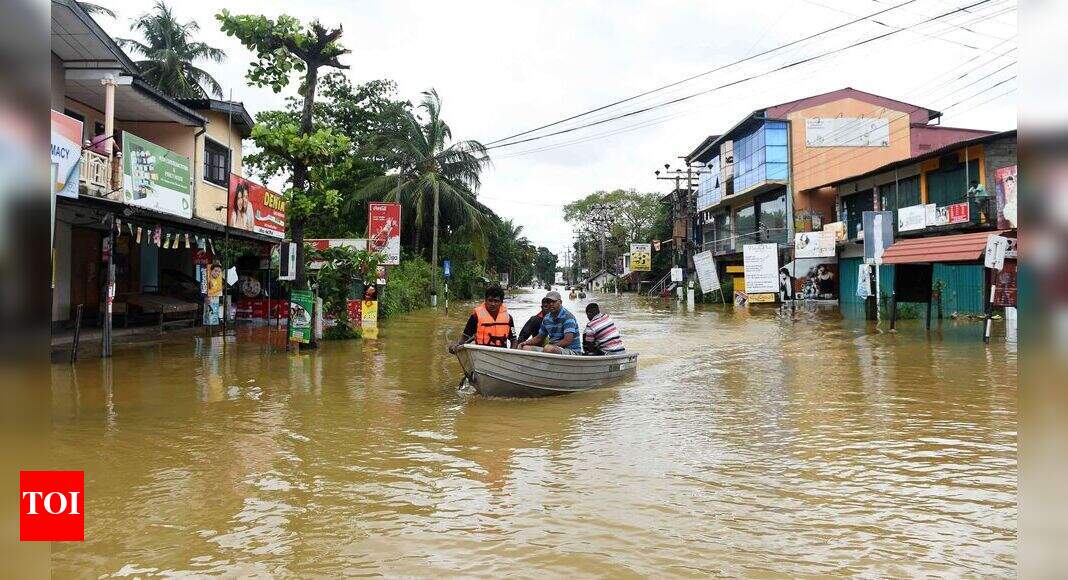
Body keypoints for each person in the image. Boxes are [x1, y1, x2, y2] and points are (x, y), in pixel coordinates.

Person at [449, 285, 515, 353]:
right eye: (490, 300)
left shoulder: (508, 318)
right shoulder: (475, 317)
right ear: (485, 300)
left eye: (496, 301)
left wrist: (511, 354)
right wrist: (457, 346)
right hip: (481, 351)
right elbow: (465, 337)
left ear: (501, 303)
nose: (493, 304)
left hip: (502, 353)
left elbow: (513, 340)